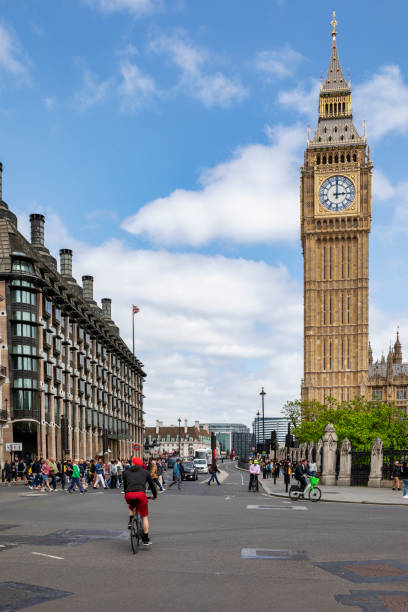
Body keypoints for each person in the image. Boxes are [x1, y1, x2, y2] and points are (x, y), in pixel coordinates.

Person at [123, 456, 157, 546]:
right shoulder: (145, 472)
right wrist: (155, 495)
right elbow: (152, 485)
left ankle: (131, 521)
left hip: (129, 494)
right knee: (144, 516)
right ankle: (145, 539)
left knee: (131, 506)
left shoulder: (126, 473)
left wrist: (127, 493)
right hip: (141, 495)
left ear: (133, 463)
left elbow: (125, 486)